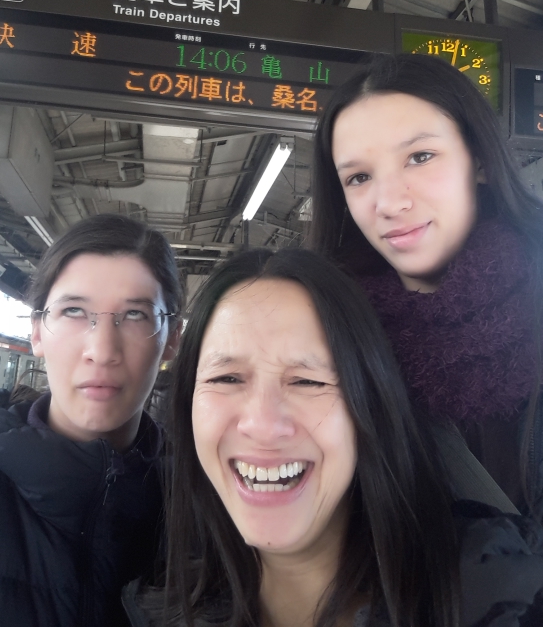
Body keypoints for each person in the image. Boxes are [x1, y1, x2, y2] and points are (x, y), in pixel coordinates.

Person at [124, 248, 543, 627]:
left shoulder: (495, 596)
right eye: (227, 378)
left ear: (370, 408)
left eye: (307, 381)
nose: (263, 425)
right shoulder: (150, 611)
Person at [310, 53, 543, 519]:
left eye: (420, 157)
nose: (389, 202)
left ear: (479, 160)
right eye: (359, 177)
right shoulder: (325, 340)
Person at [0, 213, 182, 627]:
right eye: (74, 310)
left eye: (135, 315)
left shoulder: (204, 501)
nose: (102, 350)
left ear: (171, 340)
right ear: (37, 332)